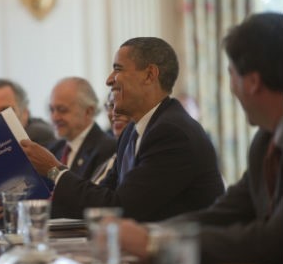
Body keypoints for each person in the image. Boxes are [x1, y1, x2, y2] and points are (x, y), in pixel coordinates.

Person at [116, 12, 283, 264]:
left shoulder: (175, 130)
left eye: (231, 75)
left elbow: (274, 241)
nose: (230, 87)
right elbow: (225, 213)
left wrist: (158, 244)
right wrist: (154, 234)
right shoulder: (264, 141)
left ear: (252, 82)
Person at [21, 37, 225, 221]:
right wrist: (21, 208)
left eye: (118, 69)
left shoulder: (172, 133)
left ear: (149, 75)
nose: (109, 79)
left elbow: (120, 208)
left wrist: (54, 170)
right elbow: (100, 199)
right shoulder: (132, 132)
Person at [47, 77, 116, 180]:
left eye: (62, 110)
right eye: (52, 110)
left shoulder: (106, 149)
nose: (54, 117)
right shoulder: (54, 149)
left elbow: (86, 193)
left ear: (88, 111)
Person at [91, 92, 131, 185]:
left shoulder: (137, 152)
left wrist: (56, 172)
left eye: (123, 104)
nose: (115, 112)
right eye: (111, 105)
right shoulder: (113, 155)